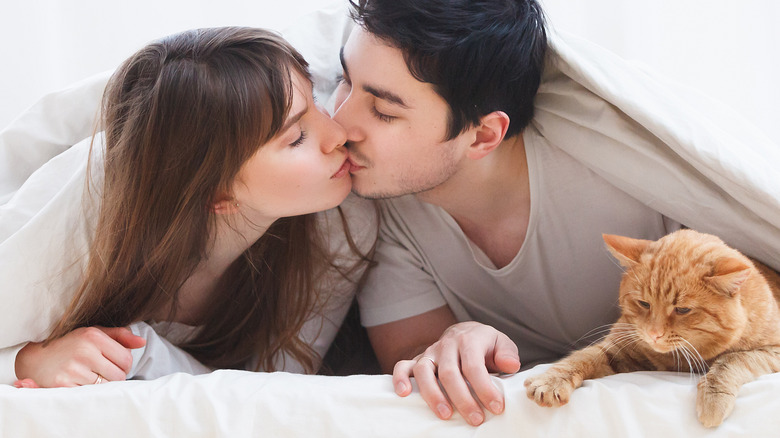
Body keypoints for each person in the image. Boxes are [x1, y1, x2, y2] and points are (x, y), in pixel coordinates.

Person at [332, 0, 778, 427]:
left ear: (484, 135)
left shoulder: (618, 172)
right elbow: (412, 355)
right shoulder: (374, 207)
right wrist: (455, 339)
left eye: (384, 110)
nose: (337, 120)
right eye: (343, 79)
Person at [1, 26, 376, 388]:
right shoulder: (85, 221)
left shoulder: (342, 223)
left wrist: (139, 350)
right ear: (216, 195)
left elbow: (275, 389)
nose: (338, 134)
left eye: (315, 102)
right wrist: (27, 360)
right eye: (296, 138)